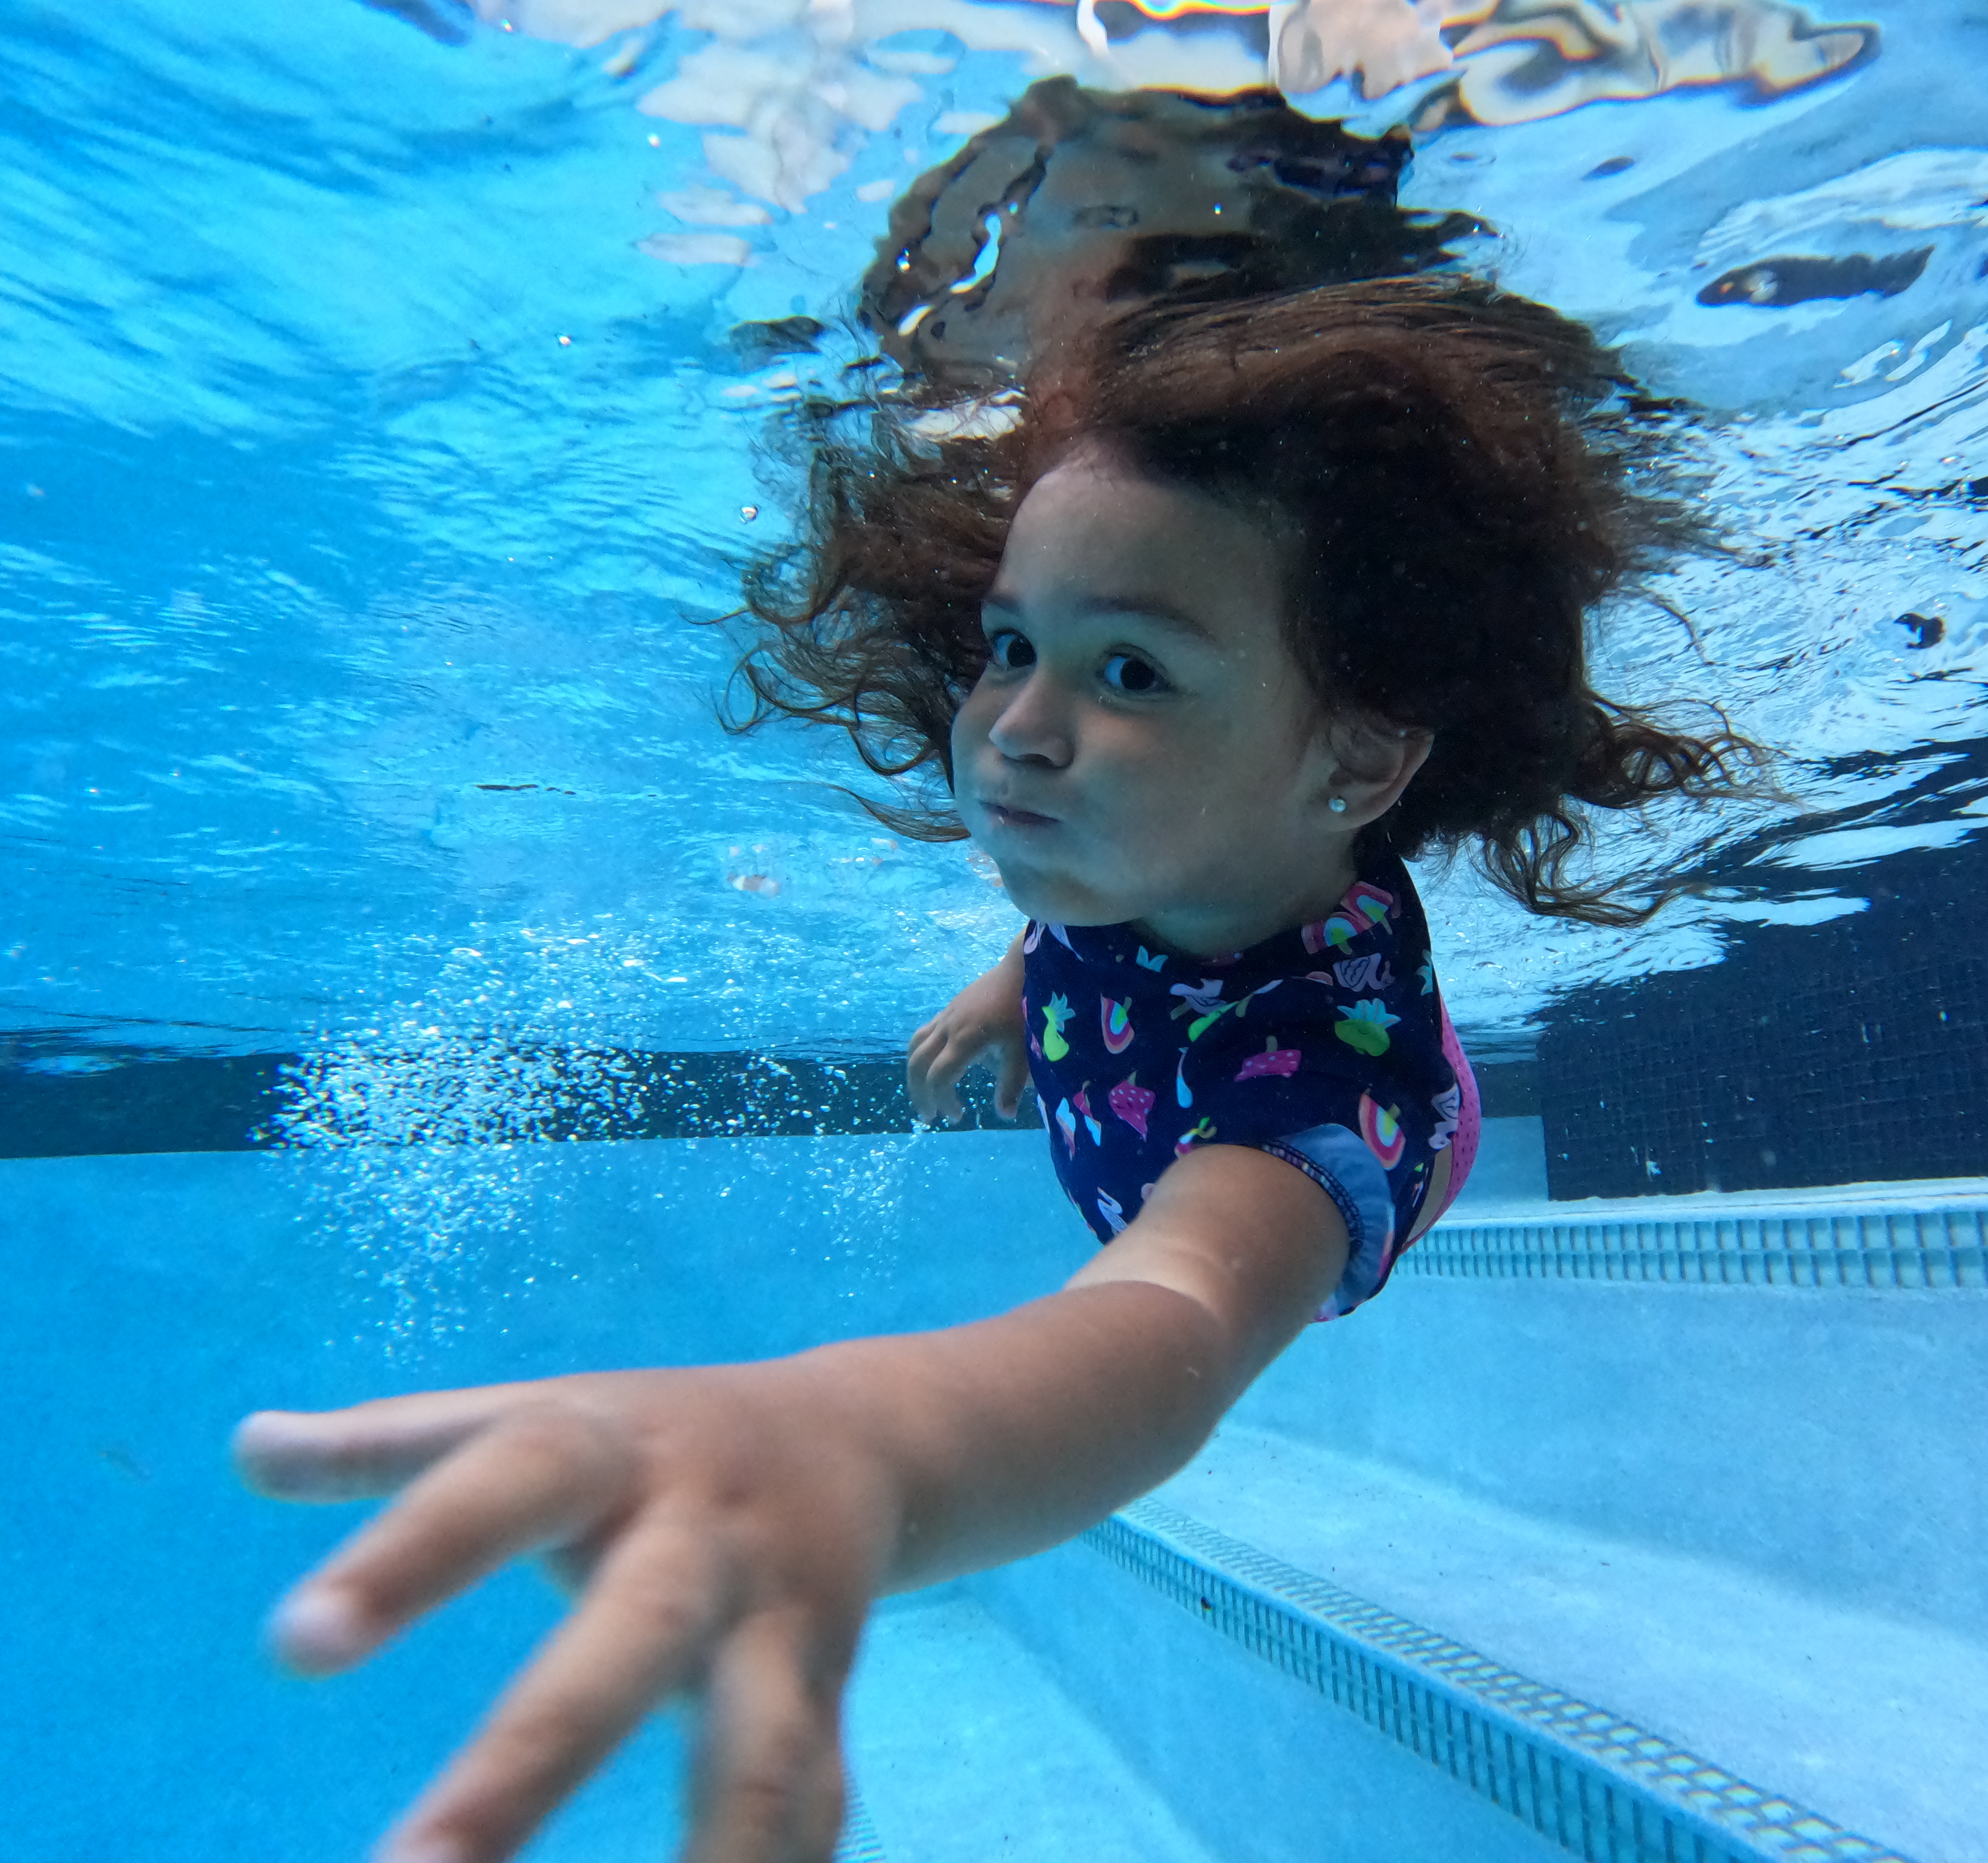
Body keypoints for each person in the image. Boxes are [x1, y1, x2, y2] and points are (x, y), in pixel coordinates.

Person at [234, 273, 1749, 1863]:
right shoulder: (1143, 839)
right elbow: (1091, 917)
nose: (1018, 727)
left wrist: (861, 1447)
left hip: (1372, 1114)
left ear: (1357, 758)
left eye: (1133, 671)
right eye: (1013, 643)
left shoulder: (1309, 1103)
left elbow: (1172, 1315)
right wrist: (1012, 982)